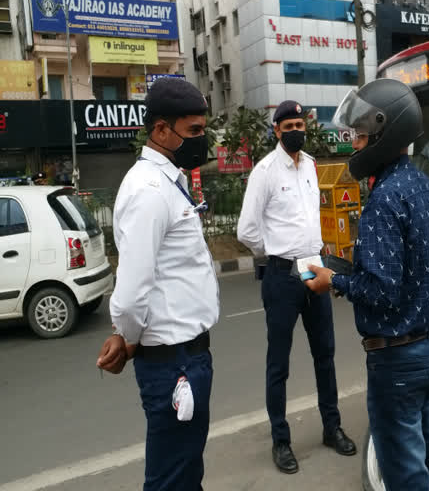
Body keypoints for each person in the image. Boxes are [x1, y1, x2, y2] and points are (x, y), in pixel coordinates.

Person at [305, 78, 429, 490]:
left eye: (362, 135)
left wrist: (335, 280)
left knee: (404, 474)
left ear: (386, 135)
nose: (355, 144)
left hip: (396, 360)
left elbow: (383, 291)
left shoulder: (384, 199)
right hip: (426, 351)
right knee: (428, 462)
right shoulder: (422, 186)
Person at [95, 77, 218, 490]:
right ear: (162, 130)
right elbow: (131, 292)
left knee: (186, 472)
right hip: (173, 364)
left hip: (186, 358)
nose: (203, 140)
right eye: (194, 131)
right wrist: (127, 335)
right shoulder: (148, 190)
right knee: (171, 479)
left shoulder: (169, 180)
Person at [236, 100, 356, 475]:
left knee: (326, 354)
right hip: (282, 276)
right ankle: (281, 440)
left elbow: (309, 218)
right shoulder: (265, 171)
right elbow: (246, 230)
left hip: (313, 270)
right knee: (279, 364)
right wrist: (275, 253)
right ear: (276, 130)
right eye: (287, 126)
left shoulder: (310, 165)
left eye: (299, 124)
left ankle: (331, 427)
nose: (295, 131)